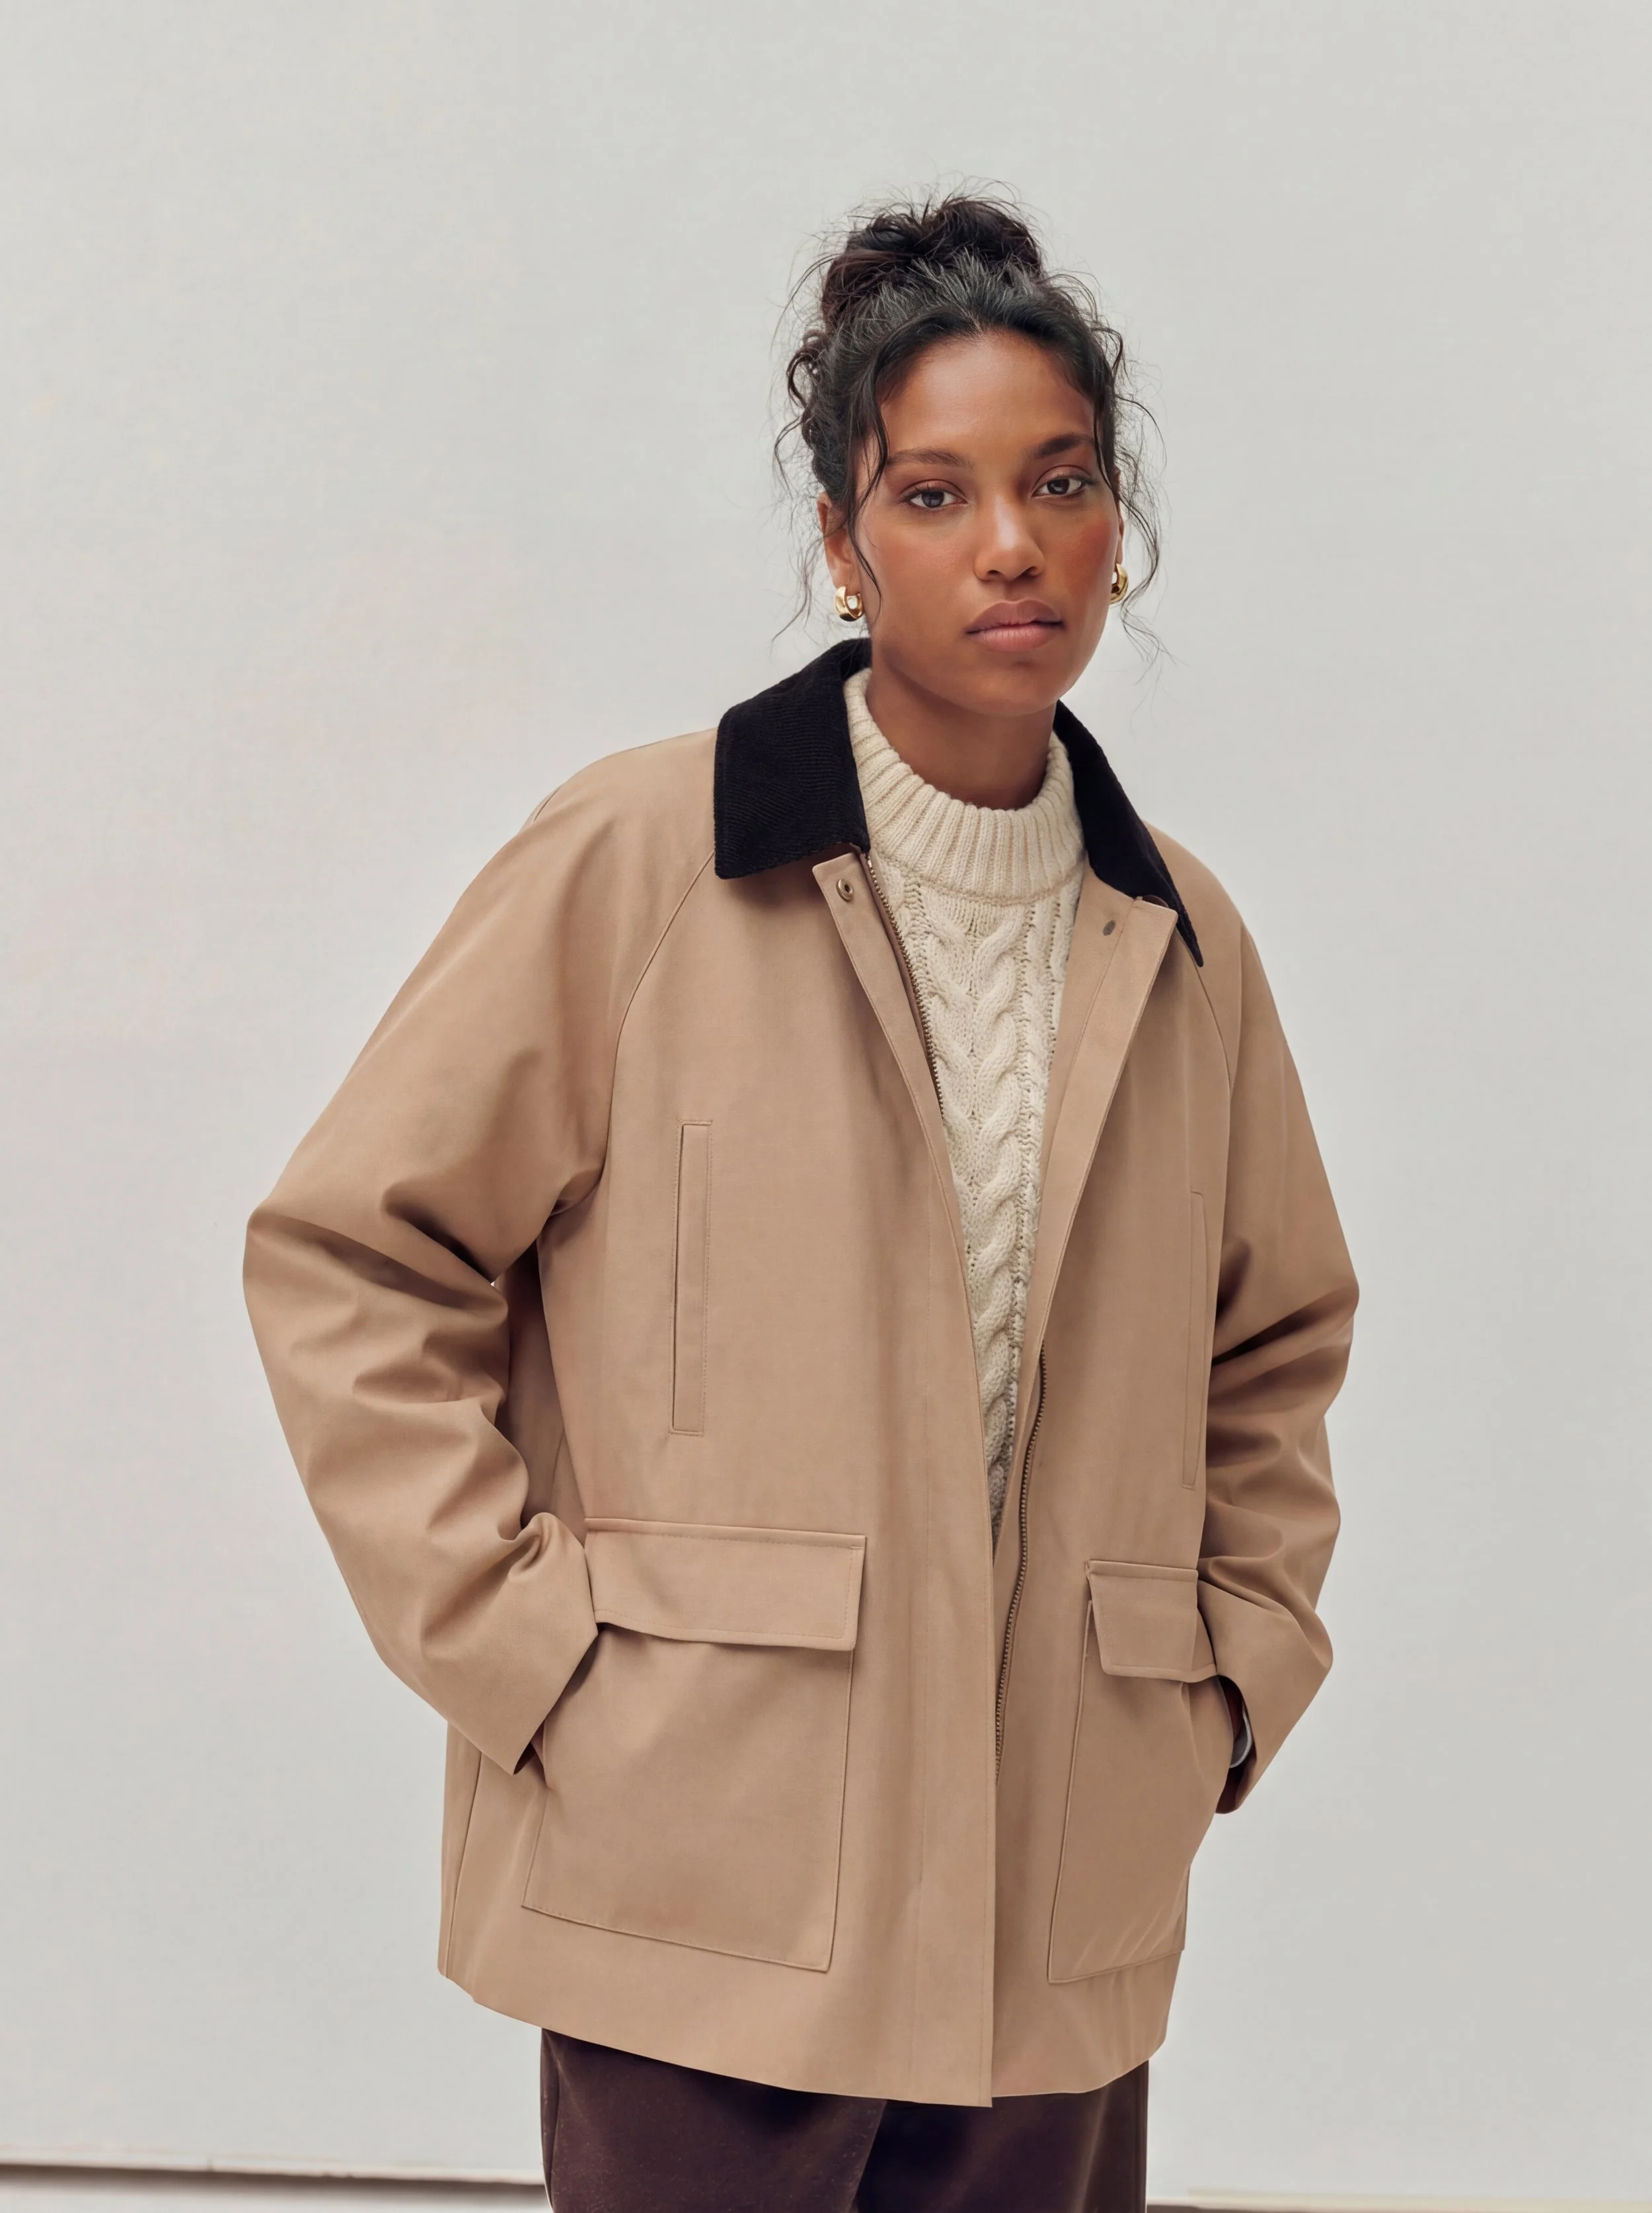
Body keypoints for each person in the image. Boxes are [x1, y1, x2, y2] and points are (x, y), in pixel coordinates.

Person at [244, 193, 1356, 2213]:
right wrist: (537, 1658)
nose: (1008, 542)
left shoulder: (1177, 936)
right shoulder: (646, 860)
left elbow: (1269, 1347)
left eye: (1060, 481)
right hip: (706, 1878)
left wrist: (1221, 1678)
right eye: (932, 493)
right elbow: (352, 1256)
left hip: (1056, 1909)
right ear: (841, 548)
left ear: (1121, 529)